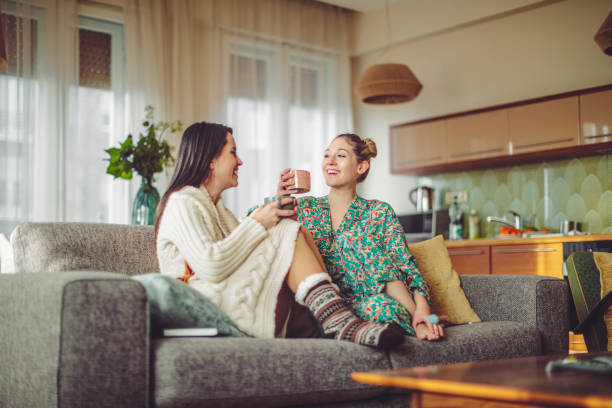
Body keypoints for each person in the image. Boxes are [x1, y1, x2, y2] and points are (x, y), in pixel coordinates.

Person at [153, 122, 404, 349]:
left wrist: (277, 204)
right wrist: (257, 222)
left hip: (226, 296)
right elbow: (212, 265)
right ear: (210, 159)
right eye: (233, 153)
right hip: (202, 308)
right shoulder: (182, 201)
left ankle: (331, 320)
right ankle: (336, 320)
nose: (239, 161)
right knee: (287, 230)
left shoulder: (218, 209)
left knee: (293, 228)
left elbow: (249, 250)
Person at [277, 134, 446, 341]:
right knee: (350, 240)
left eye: (340, 156)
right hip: (321, 303)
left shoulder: (378, 211)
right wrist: (280, 200)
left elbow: (405, 264)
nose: (329, 162)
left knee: (384, 309)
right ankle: (413, 320)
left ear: (361, 167)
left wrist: (423, 307)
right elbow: (259, 226)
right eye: (327, 155)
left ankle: (417, 318)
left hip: (363, 304)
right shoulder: (304, 208)